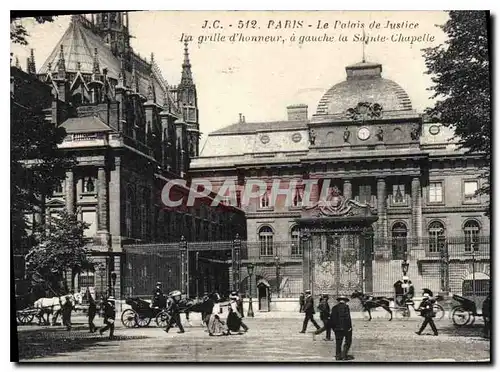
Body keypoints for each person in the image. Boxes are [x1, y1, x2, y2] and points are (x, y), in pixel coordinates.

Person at [330, 296, 353, 361]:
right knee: (348, 342)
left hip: (337, 329)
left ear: (339, 301)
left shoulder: (334, 307)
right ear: (345, 301)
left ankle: (338, 356)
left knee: (338, 343)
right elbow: (347, 318)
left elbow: (332, 319)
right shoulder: (346, 307)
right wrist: (349, 327)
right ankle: (344, 355)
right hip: (345, 328)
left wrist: (334, 328)